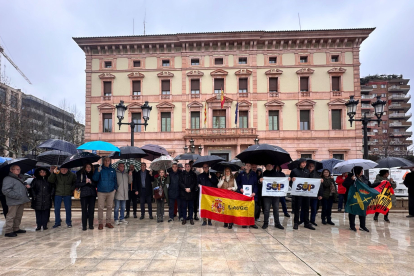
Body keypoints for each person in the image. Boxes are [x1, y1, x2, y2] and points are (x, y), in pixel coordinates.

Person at [290, 159, 321, 230]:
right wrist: (292, 181)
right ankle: (296, 222)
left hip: (306, 192)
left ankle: (307, 223)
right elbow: (290, 182)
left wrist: (319, 180)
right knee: (297, 208)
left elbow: (311, 181)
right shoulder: (294, 171)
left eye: (305, 163)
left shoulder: (307, 171)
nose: (304, 164)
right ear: (300, 163)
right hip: (298, 193)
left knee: (306, 207)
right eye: (303, 163)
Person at [343, 166, 375, 232]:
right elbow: (345, 184)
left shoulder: (364, 178)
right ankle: (352, 226)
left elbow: (370, 186)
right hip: (353, 198)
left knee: (362, 211)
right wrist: (351, 180)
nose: (362, 172)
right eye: (361, 171)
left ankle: (362, 226)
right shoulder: (351, 177)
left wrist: (381, 183)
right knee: (352, 212)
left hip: (362, 198)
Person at [2, 165, 31, 237]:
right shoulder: (8, 179)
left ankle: (16, 228)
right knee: (11, 216)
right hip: (13, 201)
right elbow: (6, 190)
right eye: (16, 169)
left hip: (20, 201)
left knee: (18, 215)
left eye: (19, 169)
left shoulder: (20, 178)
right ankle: (8, 231)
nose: (18, 170)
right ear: (11, 170)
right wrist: (17, 196)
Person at [93, 157, 117, 230]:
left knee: (109, 207)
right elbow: (95, 179)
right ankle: (100, 223)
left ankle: (108, 222)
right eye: (105, 160)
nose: (107, 162)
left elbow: (115, 180)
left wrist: (115, 188)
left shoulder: (112, 170)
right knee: (100, 208)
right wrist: (98, 171)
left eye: (108, 161)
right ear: (103, 161)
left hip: (111, 191)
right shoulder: (100, 169)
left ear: (110, 161)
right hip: (101, 192)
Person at [259, 164, 284, 230]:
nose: (269, 166)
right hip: (266, 195)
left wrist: (288, 179)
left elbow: (282, 180)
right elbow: (259, 183)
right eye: (267, 165)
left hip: (275, 195)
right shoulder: (263, 174)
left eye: (270, 165)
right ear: (265, 166)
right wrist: (260, 181)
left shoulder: (276, 173)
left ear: (272, 166)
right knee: (266, 210)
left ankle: (277, 223)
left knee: (276, 209)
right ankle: (265, 223)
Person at [236, 163, 259, 229]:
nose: (248, 167)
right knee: (244, 209)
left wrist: (254, 192)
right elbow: (237, 183)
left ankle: (252, 223)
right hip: (243, 194)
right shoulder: (241, 174)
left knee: (252, 209)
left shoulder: (254, 174)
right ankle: (244, 222)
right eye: (247, 165)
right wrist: (240, 188)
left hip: (251, 195)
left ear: (251, 167)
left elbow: (256, 185)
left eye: (249, 165)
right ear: (245, 166)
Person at [76, 163, 97, 231]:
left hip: (92, 194)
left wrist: (91, 182)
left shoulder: (93, 174)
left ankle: (91, 225)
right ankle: (84, 225)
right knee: (84, 210)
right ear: (85, 167)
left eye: (90, 167)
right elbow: (77, 184)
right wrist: (85, 182)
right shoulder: (81, 174)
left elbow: (96, 184)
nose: (88, 168)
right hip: (84, 194)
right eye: (87, 167)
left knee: (91, 210)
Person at [302, 162, 321, 226]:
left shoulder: (317, 174)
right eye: (309, 166)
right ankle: (302, 219)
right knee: (304, 208)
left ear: (314, 167)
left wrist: (320, 194)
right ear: (307, 167)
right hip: (306, 194)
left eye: (312, 166)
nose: (311, 167)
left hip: (314, 194)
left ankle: (312, 220)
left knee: (314, 208)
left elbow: (320, 185)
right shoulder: (304, 173)